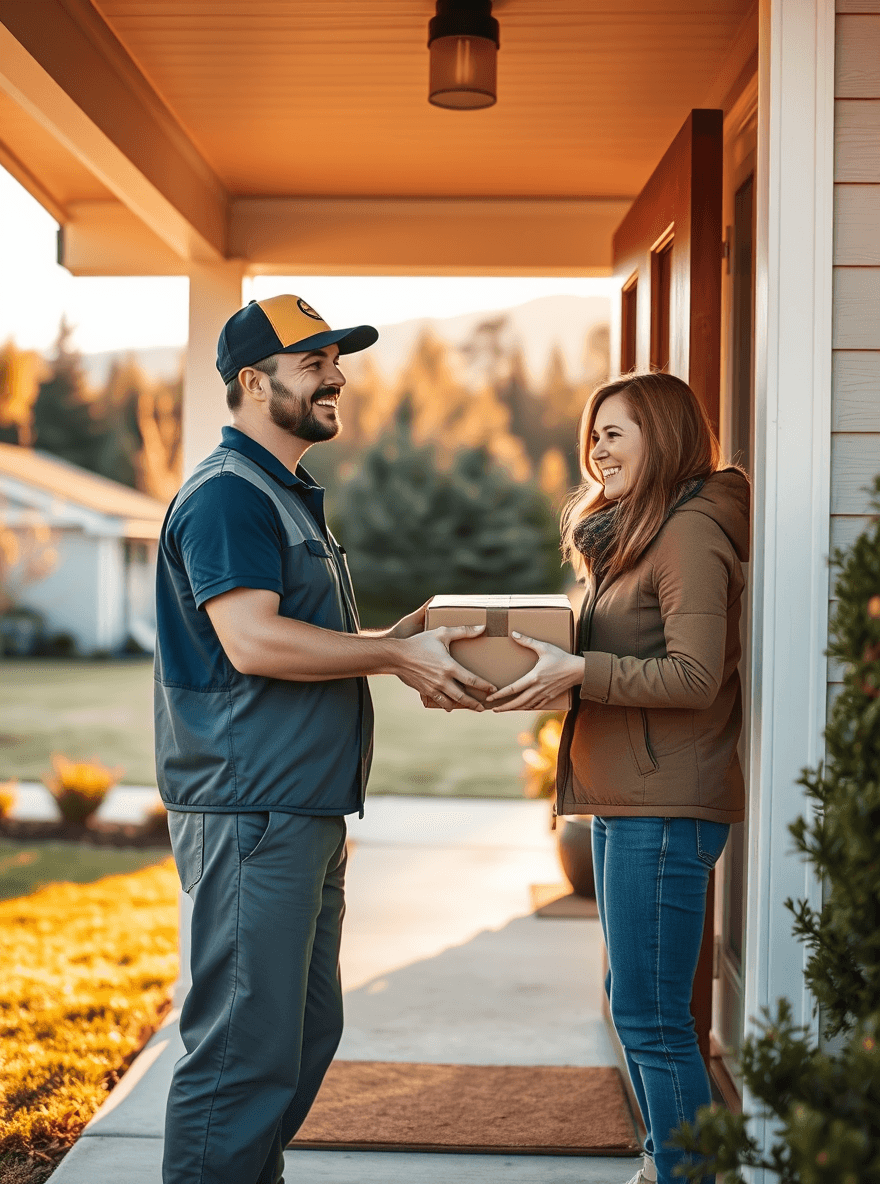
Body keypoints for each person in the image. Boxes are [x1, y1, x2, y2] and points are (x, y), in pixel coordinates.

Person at [154, 294, 495, 1184]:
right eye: (314, 363)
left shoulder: (283, 495)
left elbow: (298, 635)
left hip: (299, 810)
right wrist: (391, 654)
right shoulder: (230, 496)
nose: (338, 375)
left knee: (299, 1036)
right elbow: (253, 641)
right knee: (240, 1054)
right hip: (250, 808)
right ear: (251, 381)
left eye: (336, 359)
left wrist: (410, 630)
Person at [487, 371, 749, 1184]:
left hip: (665, 806)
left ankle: (686, 1174)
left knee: (653, 1016)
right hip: (632, 800)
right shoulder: (639, 531)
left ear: (663, 437)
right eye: (592, 433)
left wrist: (579, 672)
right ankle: (667, 1160)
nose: (596, 448)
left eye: (616, 432)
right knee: (630, 996)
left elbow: (694, 676)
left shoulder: (691, 534)